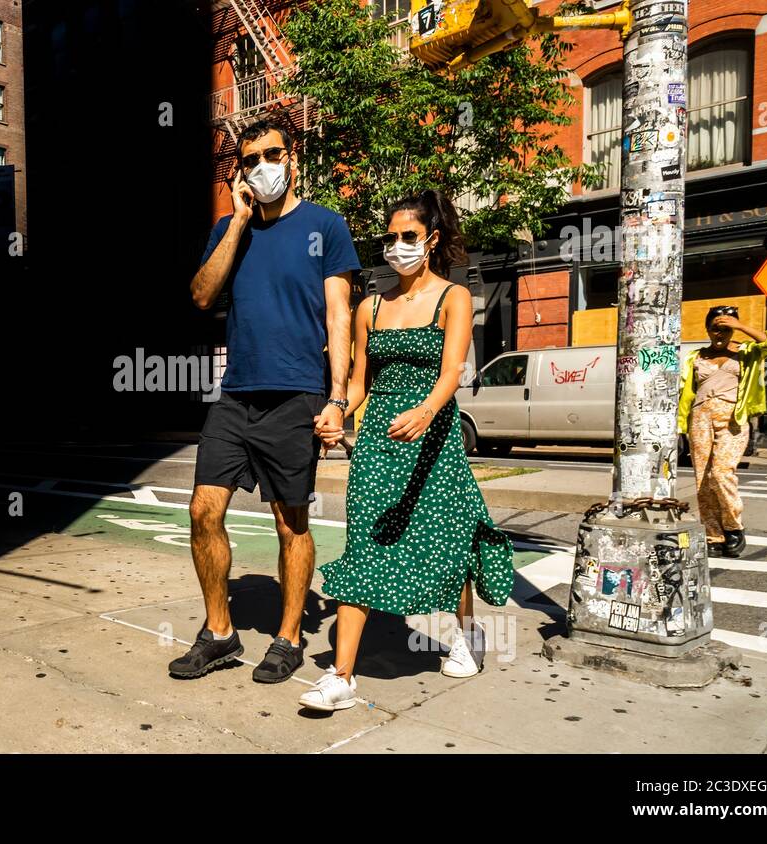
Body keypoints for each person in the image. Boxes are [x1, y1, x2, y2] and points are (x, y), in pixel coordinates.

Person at [298, 190, 514, 711]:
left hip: (433, 441)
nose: (397, 246)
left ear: (431, 240)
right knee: (366, 550)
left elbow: (450, 374)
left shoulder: (453, 298)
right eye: (390, 238)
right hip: (378, 446)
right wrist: (337, 412)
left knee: (449, 546)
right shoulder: (370, 304)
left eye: (408, 237)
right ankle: (342, 676)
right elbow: (357, 383)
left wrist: (424, 413)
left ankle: (463, 636)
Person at [171, 120, 359, 684]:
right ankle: (221, 633)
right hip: (237, 396)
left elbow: (338, 315)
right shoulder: (232, 228)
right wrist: (237, 222)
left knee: (290, 522)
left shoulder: (325, 225)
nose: (262, 166)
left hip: (297, 395)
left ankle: (288, 636)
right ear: (240, 172)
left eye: (271, 154)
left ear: (292, 156)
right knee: (203, 511)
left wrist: (338, 398)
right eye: (250, 160)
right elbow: (202, 295)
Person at [677, 306, 767, 558]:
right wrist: (679, 426)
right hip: (700, 418)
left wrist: (740, 326)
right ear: (707, 330)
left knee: (721, 473)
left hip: (733, 418)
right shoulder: (696, 356)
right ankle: (713, 534)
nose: (720, 334)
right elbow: (686, 393)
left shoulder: (746, 351)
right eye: (715, 328)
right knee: (703, 480)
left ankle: (734, 527)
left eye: (725, 328)